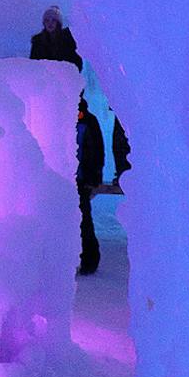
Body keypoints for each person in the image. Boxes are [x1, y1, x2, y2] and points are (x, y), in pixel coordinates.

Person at [76, 96, 105, 275]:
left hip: (80, 179)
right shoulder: (84, 119)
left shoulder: (87, 120)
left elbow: (97, 151)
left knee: (84, 220)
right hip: (68, 178)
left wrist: (93, 178)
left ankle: (89, 260)